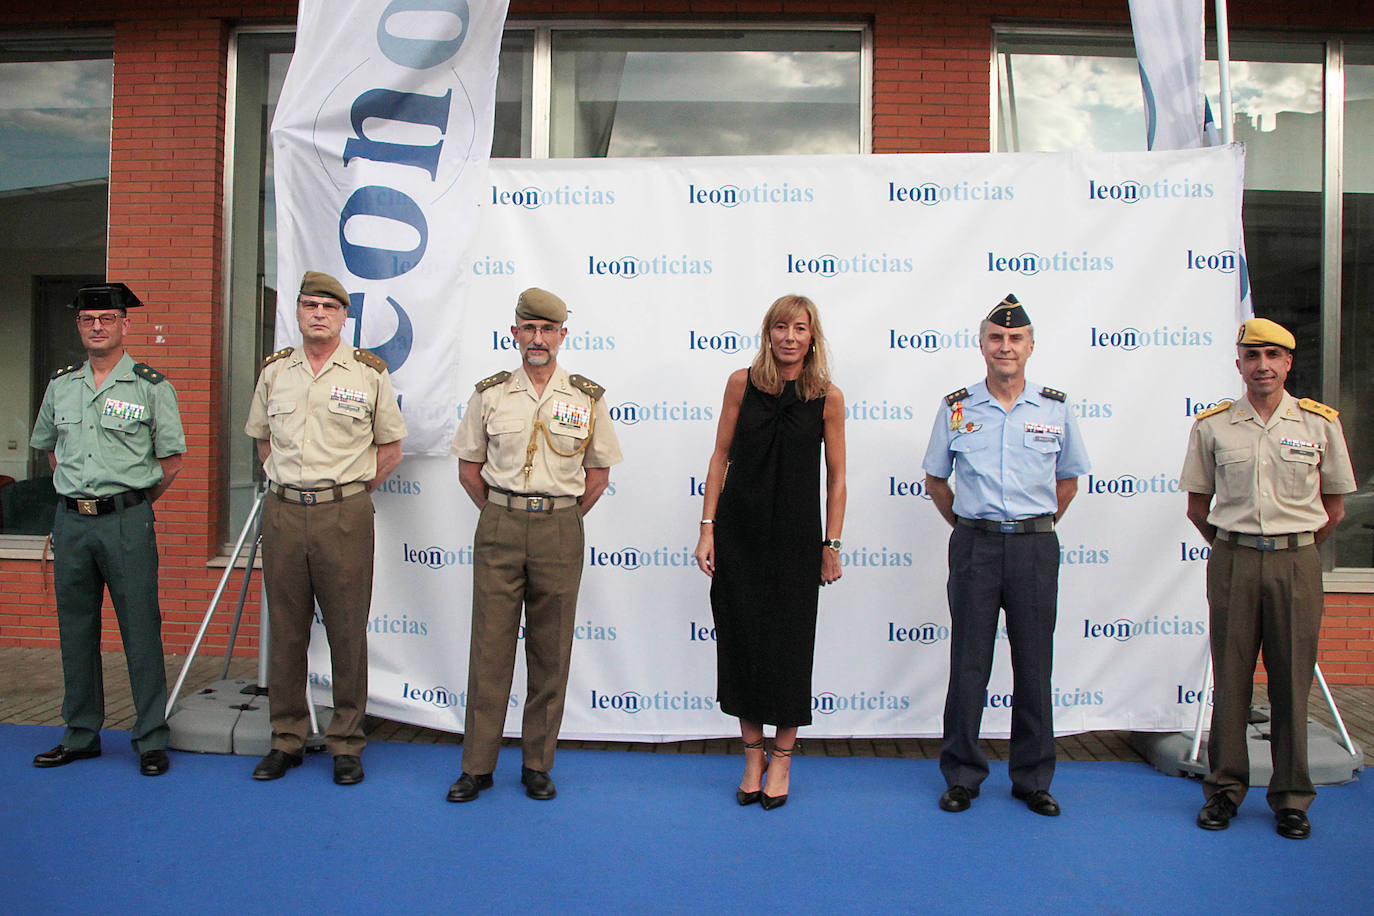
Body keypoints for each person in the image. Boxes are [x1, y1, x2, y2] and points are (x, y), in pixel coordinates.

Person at [1181, 317, 1355, 840]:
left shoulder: (1318, 424)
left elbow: (1336, 506)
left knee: (1291, 680)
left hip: (1297, 563)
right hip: (1233, 558)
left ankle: (1291, 798)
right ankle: (1226, 789)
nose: (1262, 366)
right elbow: (1197, 506)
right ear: (1239, 365)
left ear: (1288, 363)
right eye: (1252, 356)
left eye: (1272, 356)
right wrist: (1238, 549)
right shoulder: (1213, 426)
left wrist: (1292, 549)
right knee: (1231, 680)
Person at [446, 287, 622, 803]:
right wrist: (505, 514)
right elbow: (467, 468)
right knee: (490, 650)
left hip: (560, 530)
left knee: (551, 650)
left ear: (563, 336)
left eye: (548, 330)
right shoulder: (491, 393)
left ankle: (537, 763)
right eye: (529, 328)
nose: (538, 338)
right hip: (500, 523)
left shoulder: (586, 396)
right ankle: (477, 766)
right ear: (514, 333)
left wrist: (557, 517)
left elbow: (598, 474)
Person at [922, 293, 1089, 817]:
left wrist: (1030, 526)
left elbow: (1068, 480)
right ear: (981, 346)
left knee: (1033, 664)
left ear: (1031, 346)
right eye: (996, 338)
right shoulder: (957, 408)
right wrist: (975, 526)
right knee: (969, 662)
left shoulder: (1056, 408)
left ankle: (1033, 778)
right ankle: (962, 776)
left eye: (1015, 338)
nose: (1005, 346)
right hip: (974, 544)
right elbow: (936, 478)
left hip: (1035, 547)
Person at [244, 270, 406, 786]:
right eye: (309, 304)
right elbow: (263, 440)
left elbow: (390, 449)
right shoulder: (275, 373)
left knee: (346, 630)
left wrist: (348, 493)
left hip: (344, 513)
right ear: (297, 311)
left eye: (328, 307)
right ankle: (287, 737)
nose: (318, 314)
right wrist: (291, 484)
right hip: (285, 510)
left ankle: (346, 740)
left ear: (343, 316)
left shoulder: (367, 373)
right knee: (287, 629)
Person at [693, 294, 846, 811]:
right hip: (740, 533)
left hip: (797, 541)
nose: (789, 336)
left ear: (811, 337)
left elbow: (838, 478)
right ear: (768, 333)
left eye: (799, 328)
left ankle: (782, 758)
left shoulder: (827, 395)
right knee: (741, 644)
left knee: (788, 647)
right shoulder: (742, 383)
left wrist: (832, 543)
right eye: (780, 326)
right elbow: (719, 456)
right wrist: (707, 527)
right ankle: (752, 756)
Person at [30, 282, 186, 777]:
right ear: (79, 327)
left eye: (106, 318)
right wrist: (79, 492)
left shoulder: (151, 386)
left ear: (125, 324)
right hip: (72, 523)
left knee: (140, 629)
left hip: (126, 521)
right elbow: (50, 448)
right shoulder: (61, 386)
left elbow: (173, 459)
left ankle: (150, 738)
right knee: (76, 629)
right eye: (87, 319)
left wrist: (130, 502)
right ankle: (80, 734)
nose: (96, 326)